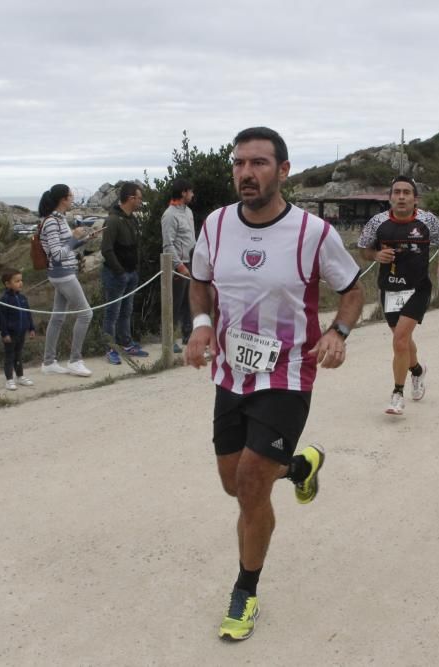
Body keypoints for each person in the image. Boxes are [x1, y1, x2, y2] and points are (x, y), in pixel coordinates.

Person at [185, 127, 363, 641]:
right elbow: (199, 281)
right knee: (231, 483)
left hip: (288, 374)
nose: (246, 172)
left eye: (259, 163)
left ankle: (245, 591)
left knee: (250, 484)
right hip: (230, 375)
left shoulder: (313, 233)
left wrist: (338, 331)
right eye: (239, 163)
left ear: (283, 171)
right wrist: (200, 327)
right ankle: (301, 464)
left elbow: (352, 289)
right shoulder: (216, 225)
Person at [357, 175, 439, 415]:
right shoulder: (377, 222)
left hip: (418, 288)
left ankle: (397, 394)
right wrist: (376, 255)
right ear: (390, 198)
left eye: (406, 192)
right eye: (396, 192)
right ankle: (418, 370)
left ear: (414, 198)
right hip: (389, 289)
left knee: (399, 340)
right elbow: (363, 249)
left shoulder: (428, 220)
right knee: (404, 341)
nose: (401, 196)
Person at [38, 184, 94, 377]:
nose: (73, 199)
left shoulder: (59, 219)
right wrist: (74, 239)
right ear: (63, 199)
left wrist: (83, 240)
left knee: (58, 317)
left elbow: (65, 247)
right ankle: (75, 360)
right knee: (86, 314)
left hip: (63, 273)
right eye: (71, 196)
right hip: (62, 273)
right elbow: (57, 254)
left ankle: (49, 361)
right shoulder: (53, 221)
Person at [101, 182, 149, 365]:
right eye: (139, 198)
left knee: (126, 310)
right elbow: (106, 249)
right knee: (112, 312)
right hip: (116, 274)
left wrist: (134, 268)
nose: (140, 201)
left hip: (131, 272)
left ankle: (126, 342)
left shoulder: (132, 219)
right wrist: (119, 271)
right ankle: (110, 348)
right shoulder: (113, 220)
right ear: (131, 198)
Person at [160, 177, 196, 353]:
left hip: (191, 262)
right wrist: (179, 265)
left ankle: (188, 335)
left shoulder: (188, 211)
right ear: (183, 192)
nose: (192, 194)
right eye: (190, 191)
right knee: (173, 303)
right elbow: (168, 244)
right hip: (177, 266)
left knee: (188, 302)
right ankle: (168, 338)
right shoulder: (169, 215)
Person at [0, 268, 36, 391]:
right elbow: (2, 319)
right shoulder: (4, 300)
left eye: (21, 280)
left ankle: (20, 376)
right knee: (10, 355)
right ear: (7, 284)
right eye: (17, 281)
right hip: (10, 334)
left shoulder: (23, 298)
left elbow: (28, 313)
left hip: (21, 332)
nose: (20, 283)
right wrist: (5, 333)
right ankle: (9, 379)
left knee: (18, 355)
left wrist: (31, 328)